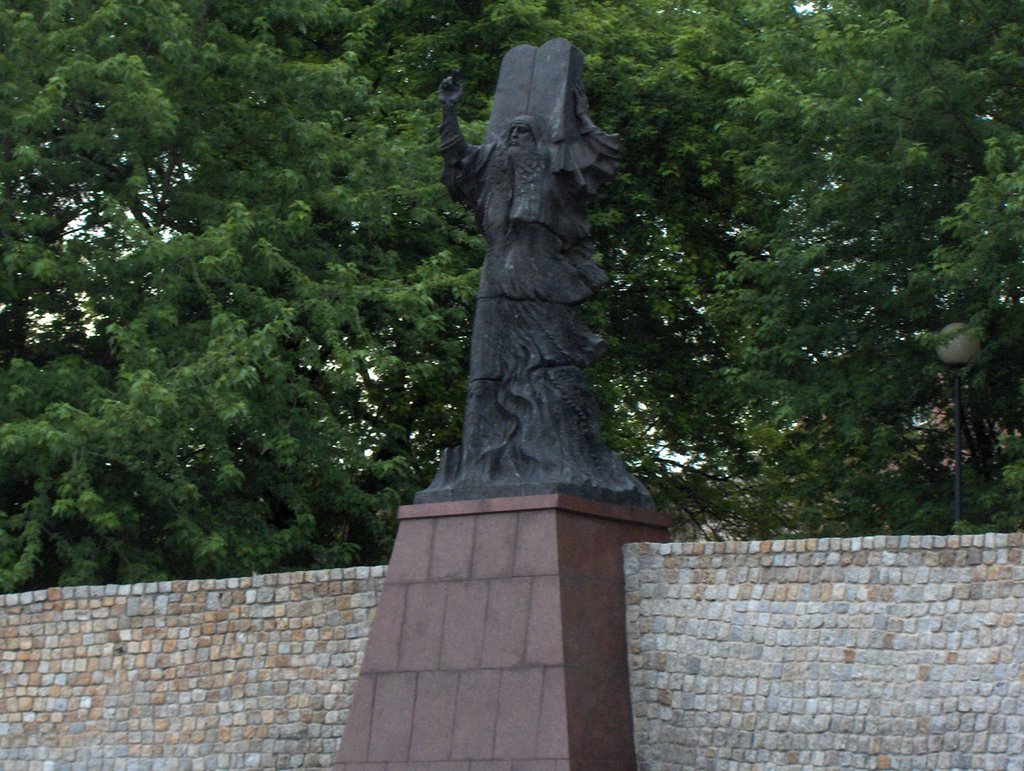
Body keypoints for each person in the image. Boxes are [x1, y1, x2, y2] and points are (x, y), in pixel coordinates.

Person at [417, 73, 652, 507]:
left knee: (550, 365)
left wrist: (579, 111)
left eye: (525, 133)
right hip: (496, 280)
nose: (516, 139)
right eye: (511, 132)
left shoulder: (555, 177)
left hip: (541, 280)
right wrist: (449, 110)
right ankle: (480, 460)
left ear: (539, 142)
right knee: (487, 371)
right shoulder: (491, 166)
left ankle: (555, 456)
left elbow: (589, 156)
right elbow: (456, 154)